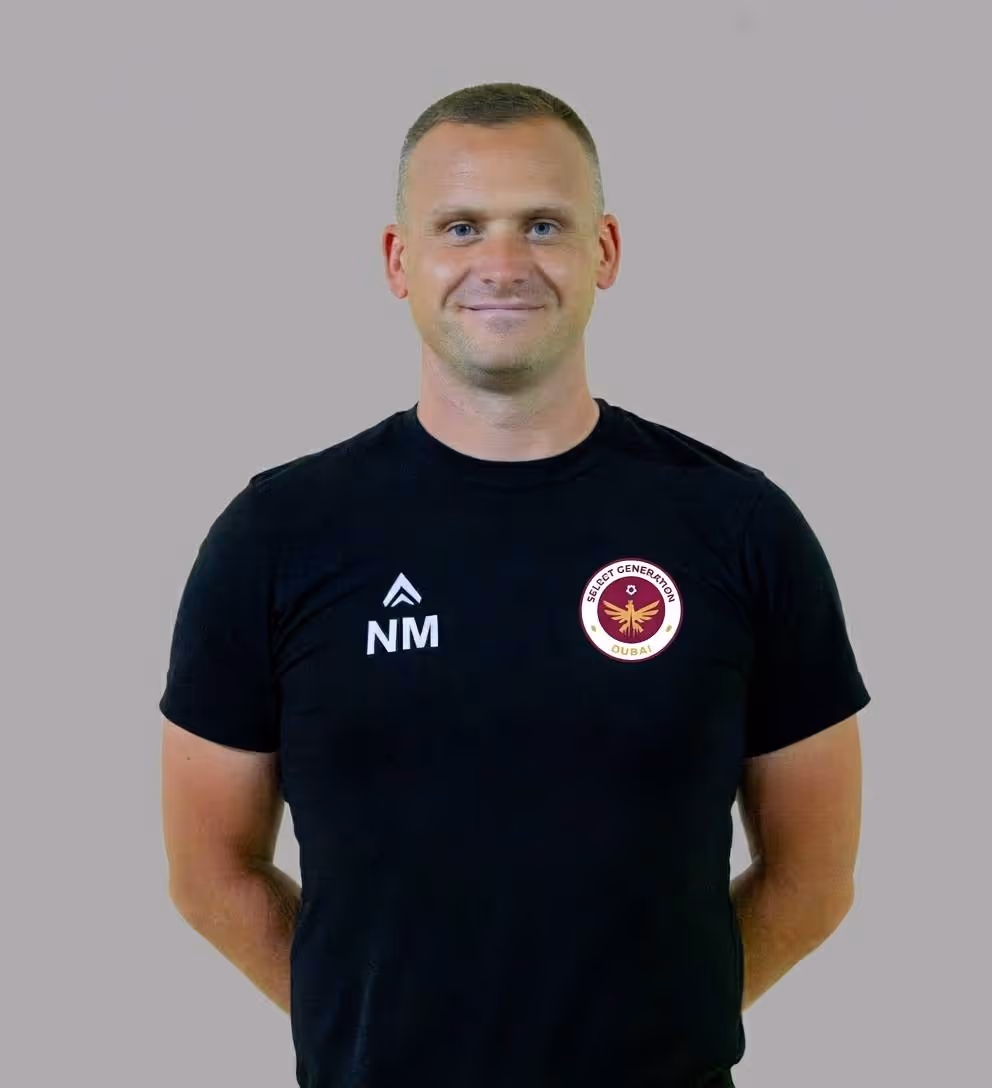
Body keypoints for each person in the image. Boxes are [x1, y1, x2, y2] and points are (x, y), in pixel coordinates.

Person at [159, 81, 869, 1088]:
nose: (501, 262)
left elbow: (812, 875)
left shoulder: (737, 525)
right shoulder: (275, 535)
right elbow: (209, 870)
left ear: (604, 251)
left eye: (542, 223)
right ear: (400, 261)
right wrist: (372, 1028)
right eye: (460, 226)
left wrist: (649, 1030)